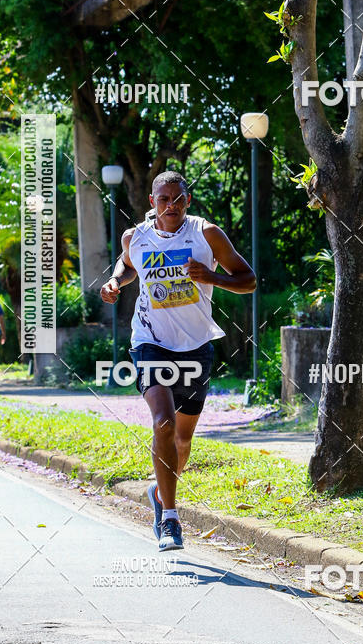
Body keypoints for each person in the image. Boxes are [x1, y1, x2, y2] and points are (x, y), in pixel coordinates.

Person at [100, 171, 256, 551]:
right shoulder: (135, 237)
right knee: (163, 423)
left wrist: (212, 279)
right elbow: (128, 263)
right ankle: (170, 518)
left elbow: (248, 279)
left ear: (188, 200)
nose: (171, 206)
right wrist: (115, 282)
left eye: (178, 199)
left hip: (196, 344)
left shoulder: (207, 235)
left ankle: (159, 492)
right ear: (152, 202)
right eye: (163, 199)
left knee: (183, 441)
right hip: (151, 341)